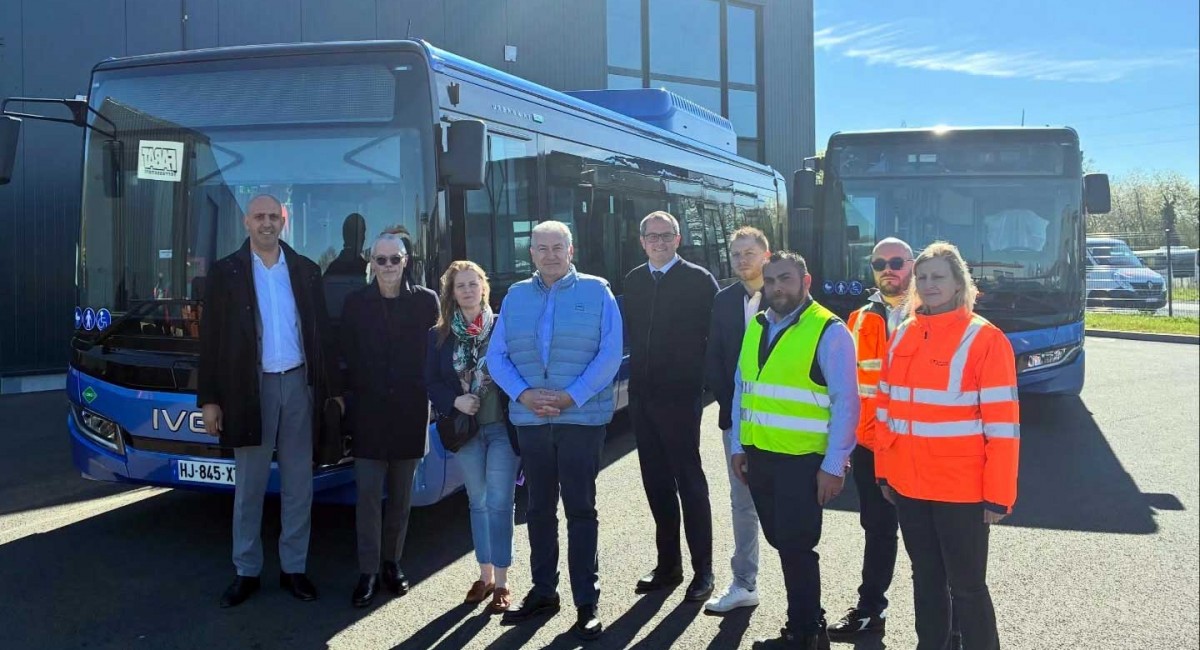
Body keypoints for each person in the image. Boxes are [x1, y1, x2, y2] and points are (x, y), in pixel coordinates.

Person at [198, 194, 342, 608]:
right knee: (250, 485)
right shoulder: (226, 273)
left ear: (285, 220)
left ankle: (294, 568)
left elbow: (323, 337)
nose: (266, 224)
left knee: (300, 483)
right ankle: (247, 570)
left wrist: (332, 393)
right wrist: (210, 400)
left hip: (298, 386)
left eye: (273, 217)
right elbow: (210, 343)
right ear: (246, 222)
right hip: (249, 388)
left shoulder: (305, 270)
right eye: (259, 217)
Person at [874, 242, 1019, 650]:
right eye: (923, 277)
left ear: (959, 283)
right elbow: (885, 408)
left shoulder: (985, 339)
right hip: (909, 484)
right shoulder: (903, 332)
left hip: (961, 490)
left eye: (939, 276)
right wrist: (884, 470)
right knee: (926, 579)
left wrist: (999, 495)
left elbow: (1003, 426)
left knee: (968, 587)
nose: (929, 284)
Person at [486, 220, 623, 642]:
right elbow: (497, 356)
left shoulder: (598, 292)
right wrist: (523, 395)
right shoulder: (515, 296)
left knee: (581, 510)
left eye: (556, 247)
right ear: (531, 254)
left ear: (571, 249)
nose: (549, 255)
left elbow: (610, 353)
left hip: (580, 419)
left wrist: (572, 396)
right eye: (540, 248)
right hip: (531, 419)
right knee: (539, 510)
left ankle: (587, 602)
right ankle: (544, 592)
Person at [729, 251, 859, 650]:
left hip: (803, 462)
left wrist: (834, 465)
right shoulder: (757, 325)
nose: (777, 288)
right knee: (782, 541)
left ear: (806, 281)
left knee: (797, 545)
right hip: (760, 457)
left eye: (785, 279)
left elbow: (847, 403)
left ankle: (806, 632)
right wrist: (738, 445)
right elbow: (742, 389)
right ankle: (803, 627)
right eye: (770, 281)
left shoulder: (829, 331)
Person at [622, 211, 719, 603]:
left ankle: (704, 570)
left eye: (667, 236)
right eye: (652, 236)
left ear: (678, 239)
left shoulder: (699, 280)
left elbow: (715, 339)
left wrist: (703, 387)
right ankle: (668, 565)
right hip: (642, 398)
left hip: (681, 398)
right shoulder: (633, 280)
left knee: (689, 483)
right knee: (656, 483)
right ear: (642, 241)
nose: (659, 242)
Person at [339, 231, 439, 607]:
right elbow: (345, 355)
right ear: (371, 263)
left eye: (394, 259)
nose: (388, 267)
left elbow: (439, 351)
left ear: (406, 261)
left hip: (410, 413)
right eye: (380, 260)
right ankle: (367, 571)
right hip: (368, 415)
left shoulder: (427, 302)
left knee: (401, 497)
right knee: (367, 497)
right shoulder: (355, 304)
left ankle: (391, 564)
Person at [827, 237, 913, 640]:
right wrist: (841, 447)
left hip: (920, 448)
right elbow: (847, 390)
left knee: (930, 539)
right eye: (880, 262)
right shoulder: (859, 318)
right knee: (877, 530)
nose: (888, 269)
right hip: (871, 447)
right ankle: (869, 611)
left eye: (896, 261)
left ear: (911, 265)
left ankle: (947, 624)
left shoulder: (933, 312)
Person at [426, 260, 521, 614]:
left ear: (484, 287)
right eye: (459, 285)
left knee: (500, 502)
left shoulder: (503, 328)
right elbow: (431, 381)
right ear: (451, 293)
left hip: (500, 428)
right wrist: (454, 400)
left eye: (472, 283)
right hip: (465, 432)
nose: (467, 290)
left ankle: (503, 581)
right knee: (477, 501)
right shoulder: (438, 335)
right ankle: (484, 577)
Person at [703, 226, 770, 614]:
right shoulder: (724, 300)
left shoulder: (783, 294)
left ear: (766, 254)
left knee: (785, 507)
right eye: (737, 254)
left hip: (782, 424)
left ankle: (804, 598)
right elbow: (716, 357)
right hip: (737, 422)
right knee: (742, 503)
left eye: (750, 252)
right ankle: (745, 583)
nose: (742, 260)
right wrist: (728, 412)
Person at [324, 213, 368, 278]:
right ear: (348, 236)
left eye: (363, 233)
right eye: (361, 233)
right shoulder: (335, 269)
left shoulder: (333, 268)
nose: (364, 238)